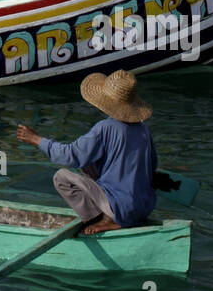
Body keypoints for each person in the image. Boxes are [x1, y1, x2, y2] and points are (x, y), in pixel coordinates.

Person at [17, 69, 159, 234]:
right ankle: (114, 214)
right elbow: (152, 166)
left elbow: (71, 155)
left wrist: (36, 140)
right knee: (88, 164)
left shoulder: (105, 128)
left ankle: (103, 219)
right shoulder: (143, 131)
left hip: (121, 209)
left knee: (61, 177)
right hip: (144, 207)